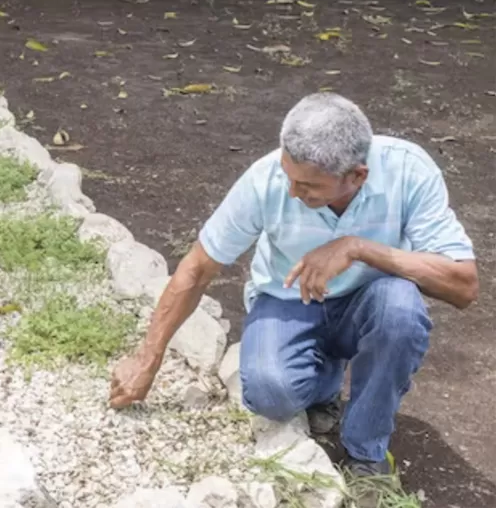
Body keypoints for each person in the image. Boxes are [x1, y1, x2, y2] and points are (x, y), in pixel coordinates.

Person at [108, 93, 478, 503]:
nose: (292, 191)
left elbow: (463, 285)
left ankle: (365, 452)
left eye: (308, 185)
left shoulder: (408, 170)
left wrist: (358, 248)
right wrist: (148, 357)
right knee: (270, 393)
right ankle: (324, 386)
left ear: (357, 176)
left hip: (370, 299)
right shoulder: (265, 180)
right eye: (289, 175)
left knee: (400, 310)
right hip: (287, 299)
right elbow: (197, 268)